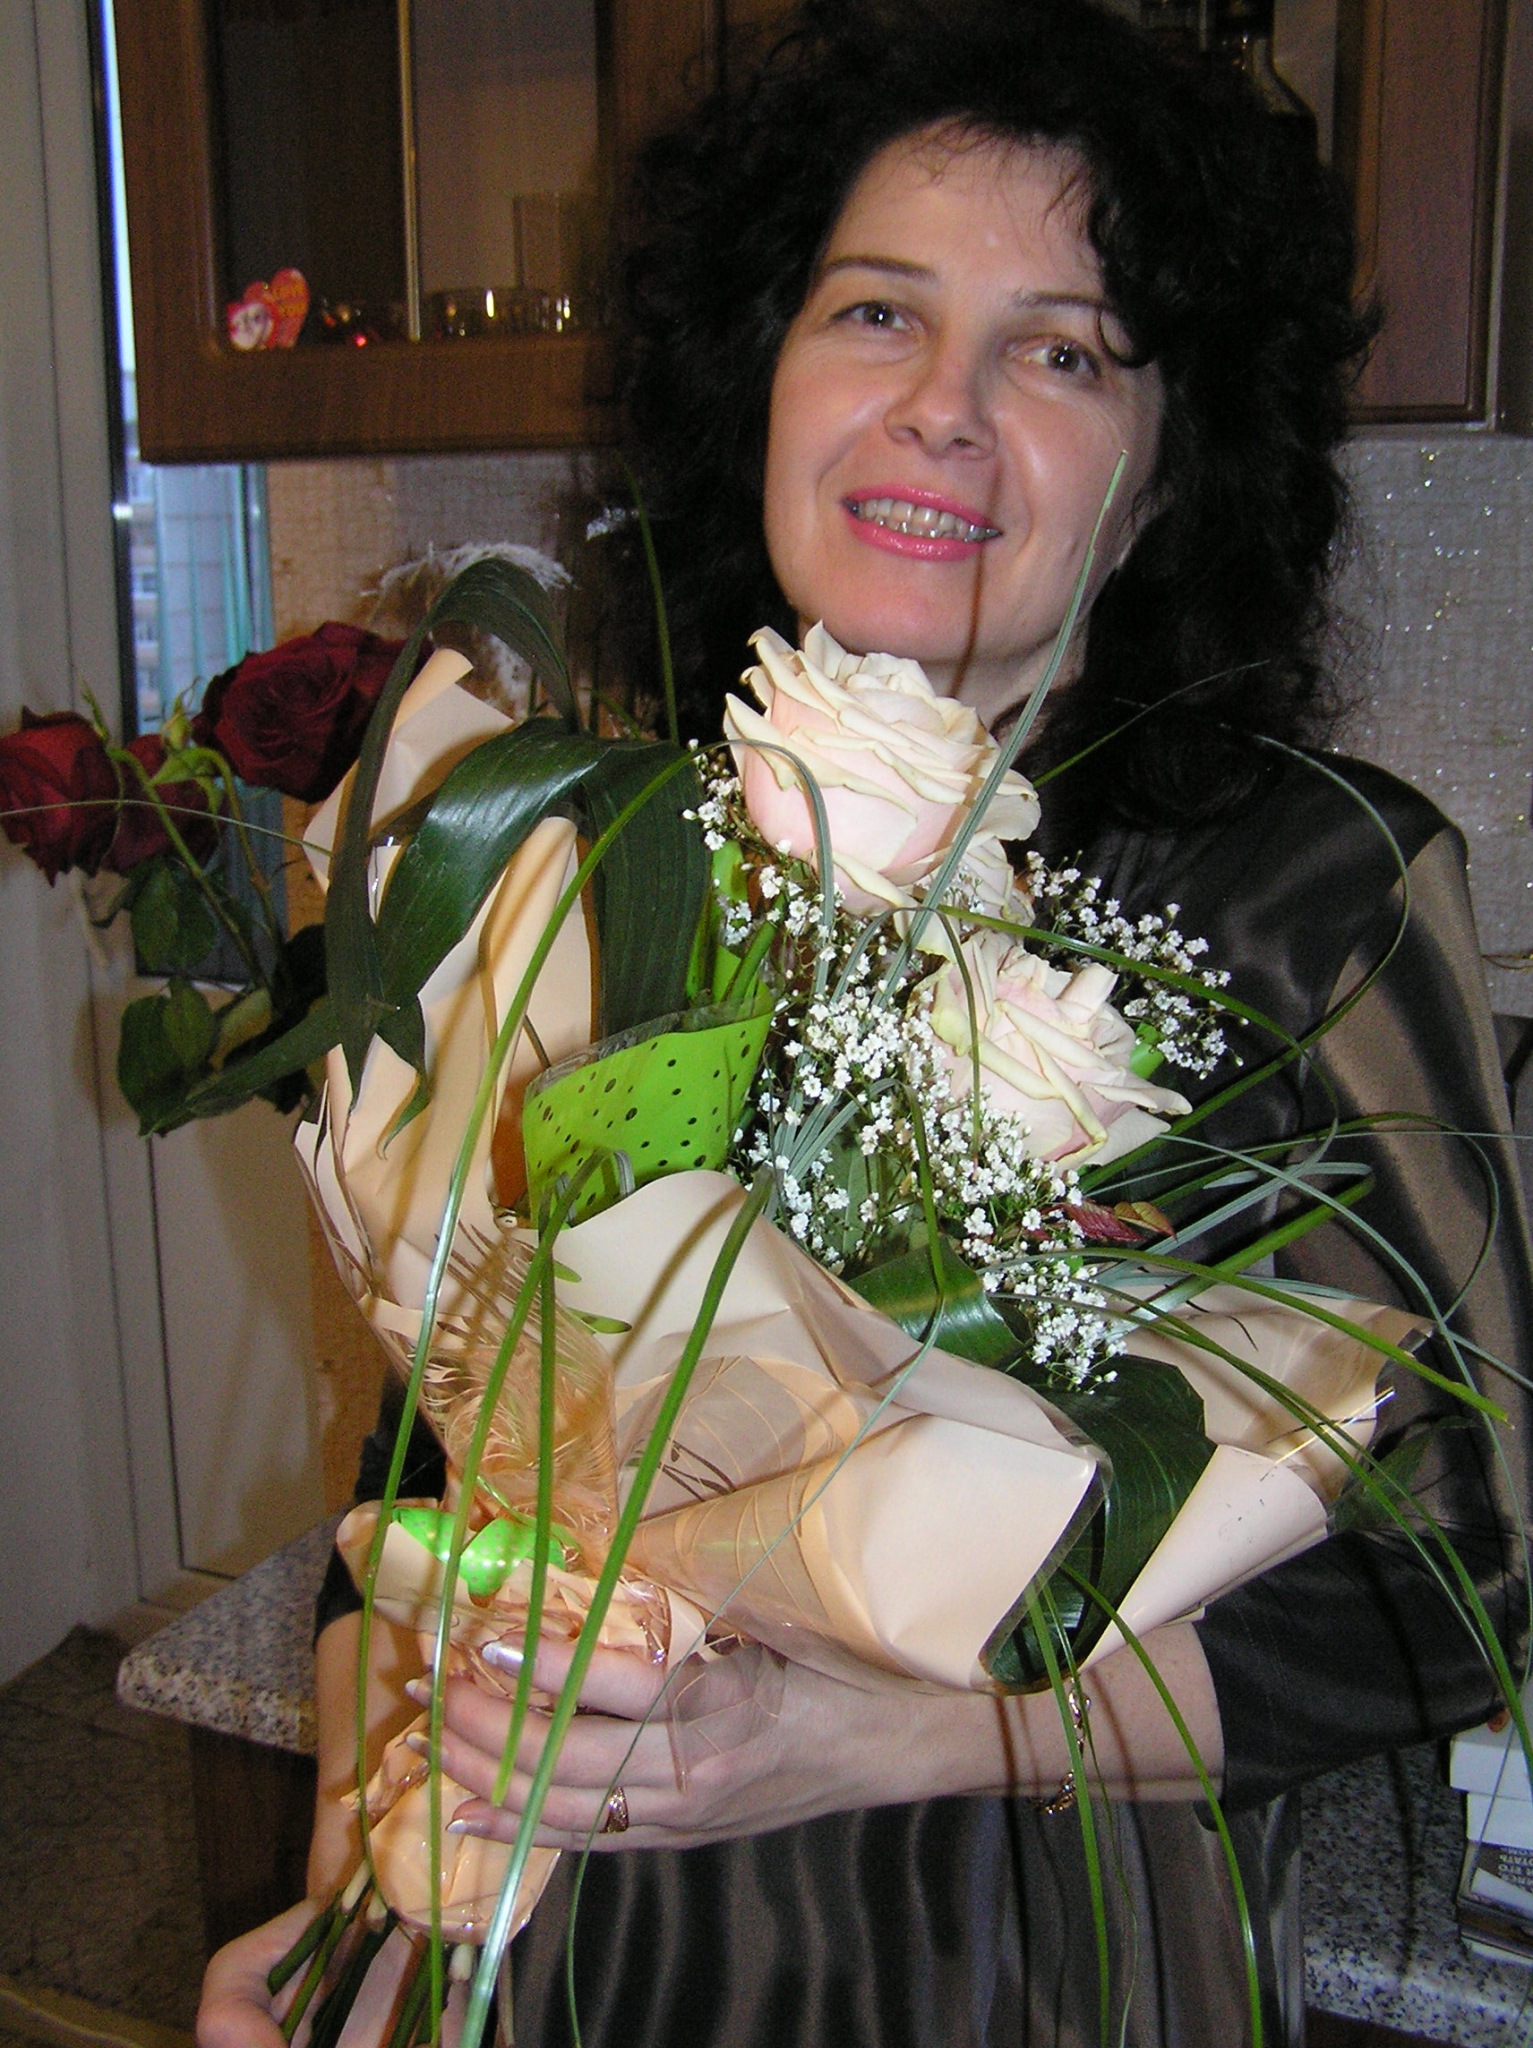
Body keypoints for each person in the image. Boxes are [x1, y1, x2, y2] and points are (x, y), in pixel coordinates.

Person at [198, 3, 1532, 2044]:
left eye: (1061, 351)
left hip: (1025, 1954)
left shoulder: (1304, 883)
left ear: (1166, 468)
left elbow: (1455, 1575)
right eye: (876, 313)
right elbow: (440, 1453)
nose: (941, 408)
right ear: (760, 375)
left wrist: (869, 1739)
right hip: (583, 1943)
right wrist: (360, 1903)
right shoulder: (594, 843)